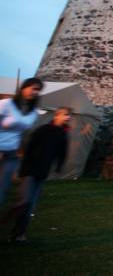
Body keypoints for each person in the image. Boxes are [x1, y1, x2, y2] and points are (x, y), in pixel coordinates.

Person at [3, 106, 70, 242]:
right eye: (65, 115)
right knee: (24, 201)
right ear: (57, 115)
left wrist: (59, 167)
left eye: (69, 115)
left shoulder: (63, 133)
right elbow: (28, 145)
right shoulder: (43, 129)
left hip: (42, 172)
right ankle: (4, 220)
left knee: (30, 205)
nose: (68, 117)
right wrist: (22, 164)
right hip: (30, 170)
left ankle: (18, 235)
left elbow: (62, 152)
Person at [0, 77, 43, 207]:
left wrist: (21, 151)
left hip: (12, 153)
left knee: (2, 187)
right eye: (33, 88)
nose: (35, 92)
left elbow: (24, 134)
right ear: (23, 88)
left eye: (38, 90)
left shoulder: (33, 113)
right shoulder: (6, 104)